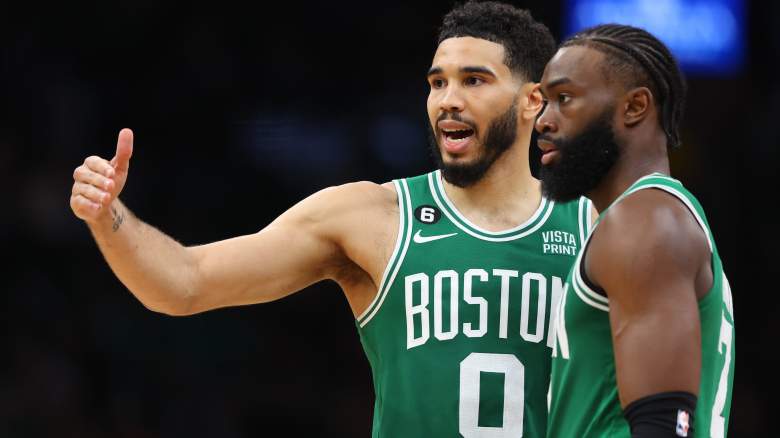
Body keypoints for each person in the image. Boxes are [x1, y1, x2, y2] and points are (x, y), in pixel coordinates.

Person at [70, 2, 591, 436]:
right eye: (437, 83)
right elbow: (184, 282)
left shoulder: (596, 226)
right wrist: (109, 216)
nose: (448, 101)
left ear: (531, 101)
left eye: (474, 81)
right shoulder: (373, 216)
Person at [536, 24, 735, 437]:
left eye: (564, 99)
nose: (543, 121)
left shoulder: (644, 221)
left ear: (634, 107)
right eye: (543, 103)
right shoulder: (650, 216)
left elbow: (664, 425)